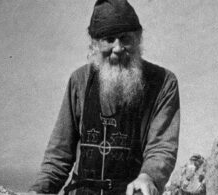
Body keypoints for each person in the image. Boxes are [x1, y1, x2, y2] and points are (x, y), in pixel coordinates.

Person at [26, 0, 180, 194]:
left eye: (125, 38)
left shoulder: (163, 83)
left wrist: (148, 176)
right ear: (95, 43)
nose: (118, 48)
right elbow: (59, 155)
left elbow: (161, 148)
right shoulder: (79, 80)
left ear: (138, 38)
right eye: (109, 39)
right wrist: (38, 190)